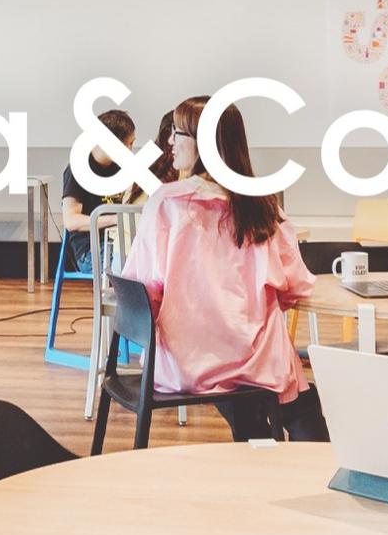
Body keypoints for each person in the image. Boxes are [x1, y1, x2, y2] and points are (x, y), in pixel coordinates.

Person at [118, 100, 328, 442]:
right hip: (253, 360)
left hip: (185, 364)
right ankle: (311, 463)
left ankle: (258, 447)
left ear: (204, 144)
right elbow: (296, 287)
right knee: (295, 395)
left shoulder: (166, 203)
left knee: (240, 389)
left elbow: (140, 290)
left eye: (177, 133)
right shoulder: (262, 206)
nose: (169, 141)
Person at [61, 107, 136, 273]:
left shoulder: (123, 168)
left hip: (119, 240)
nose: (130, 150)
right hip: (91, 249)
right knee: (134, 266)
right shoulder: (78, 170)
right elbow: (71, 221)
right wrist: (116, 219)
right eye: (127, 144)